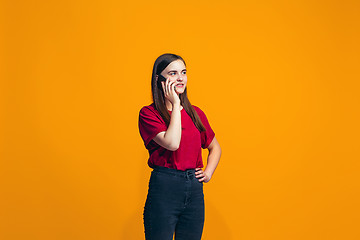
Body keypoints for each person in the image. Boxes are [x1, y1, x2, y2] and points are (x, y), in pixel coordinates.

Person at [138, 53, 222, 240]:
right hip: (165, 187)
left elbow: (215, 147)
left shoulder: (196, 113)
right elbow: (173, 143)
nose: (180, 78)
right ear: (159, 79)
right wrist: (176, 104)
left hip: (194, 189)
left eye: (183, 72)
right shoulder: (149, 114)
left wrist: (207, 173)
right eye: (173, 73)